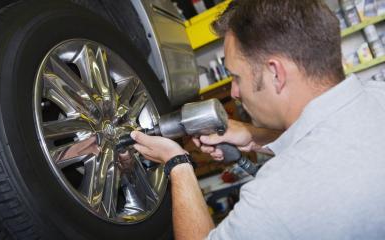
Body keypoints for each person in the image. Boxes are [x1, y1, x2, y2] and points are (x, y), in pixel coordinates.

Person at [129, 0, 385, 239]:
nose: (234, 93)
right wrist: (255, 137)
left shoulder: (275, 198)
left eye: (237, 77)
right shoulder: (378, 95)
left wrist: (177, 164)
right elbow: (329, 146)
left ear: (275, 73)